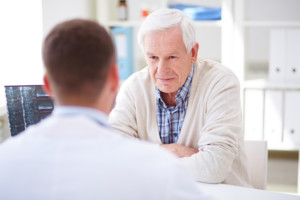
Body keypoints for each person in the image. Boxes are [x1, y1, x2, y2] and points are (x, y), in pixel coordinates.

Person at [0, 19, 212, 200]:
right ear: (114, 78)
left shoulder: (6, 161)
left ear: (47, 85)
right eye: (153, 57)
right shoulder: (158, 169)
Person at [109, 8, 251, 187]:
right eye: (153, 57)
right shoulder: (133, 87)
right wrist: (171, 151)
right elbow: (112, 152)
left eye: (172, 57)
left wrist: (143, 159)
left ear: (193, 53)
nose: (161, 70)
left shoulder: (221, 82)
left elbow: (214, 166)